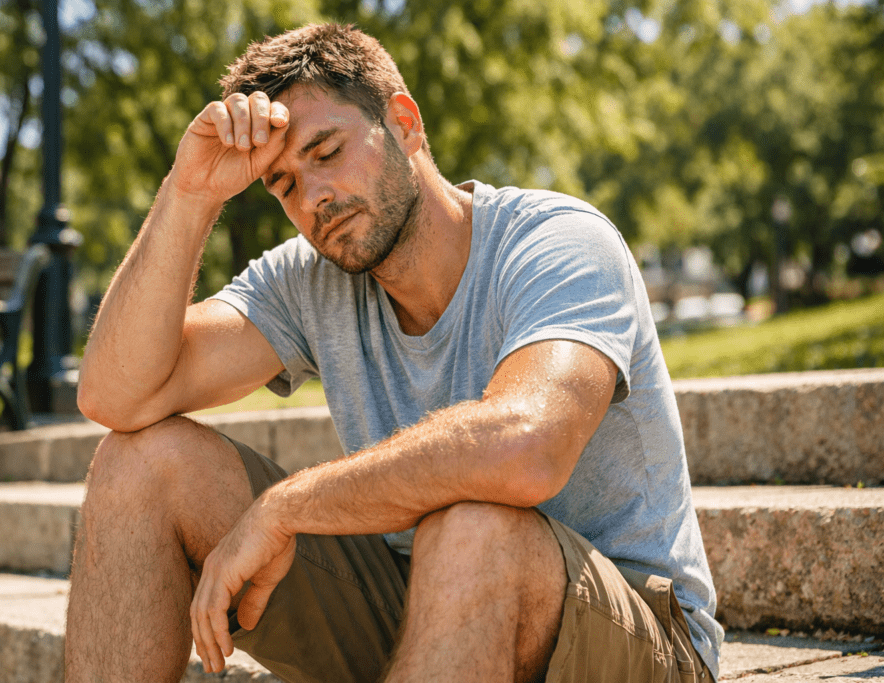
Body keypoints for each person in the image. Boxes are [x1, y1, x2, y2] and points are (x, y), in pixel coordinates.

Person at [66, 22, 723, 683]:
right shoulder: (309, 279)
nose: (313, 195)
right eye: (285, 185)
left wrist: (286, 507)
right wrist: (190, 192)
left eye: (326, 151)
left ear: (404, 123)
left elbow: (527, 448)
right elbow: (116, 395)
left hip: (634, 635)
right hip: (421, 606)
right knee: (138, 463)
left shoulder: (558, 242)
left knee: (471, 530)